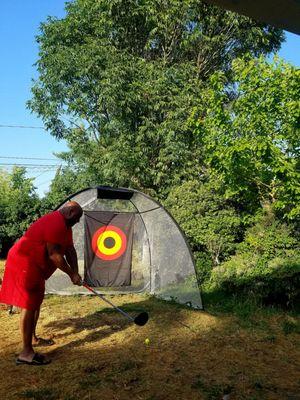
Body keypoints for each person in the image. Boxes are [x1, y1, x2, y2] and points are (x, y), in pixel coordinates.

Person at [0, 201, 83, 365]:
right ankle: (26, 353)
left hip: (36, 266)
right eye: (78, 217)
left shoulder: (66, 227)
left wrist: (76, 272)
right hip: (24, 263)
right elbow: (54, 255)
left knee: (36, 302)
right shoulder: (55, 223)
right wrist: (70, 274)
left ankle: (32, 339)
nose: (78, 221)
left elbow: (70, 250)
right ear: (71, 212)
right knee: (29, 304)